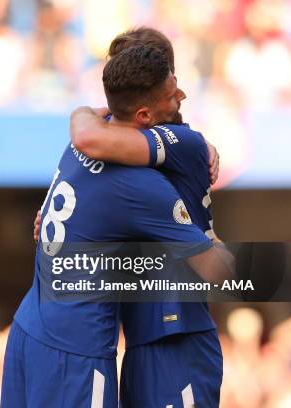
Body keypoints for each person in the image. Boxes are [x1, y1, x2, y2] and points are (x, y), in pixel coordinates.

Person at [2, 44, 233, 407]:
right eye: (172, 94)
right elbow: (219, 271)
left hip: (31, 327)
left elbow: (84, 128)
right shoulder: (146, 182)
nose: (181, 98)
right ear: (143, 112)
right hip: (82, 349)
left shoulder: (83, 137)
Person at [67, 27, 225, 407]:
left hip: (179, 334)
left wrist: (82, 111)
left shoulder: (181, 142)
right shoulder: (138, 139)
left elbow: (89, 138)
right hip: (140, 337)